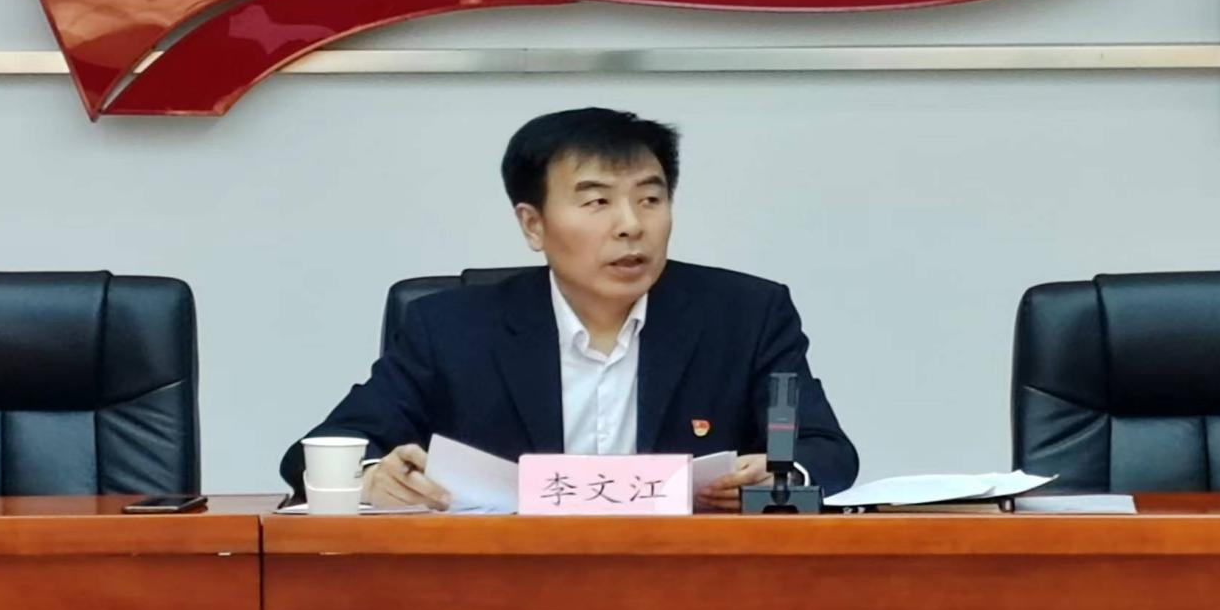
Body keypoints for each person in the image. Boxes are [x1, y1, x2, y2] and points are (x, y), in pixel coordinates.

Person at [280, 107, 857, 510]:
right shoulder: (451, 328)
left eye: (650, 199)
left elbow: (825, 450)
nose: (631, 225)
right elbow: (323, 448)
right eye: (598, 201)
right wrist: (371, 478)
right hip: (498, 591)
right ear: (533, 225)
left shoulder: (745, 316)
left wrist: (778, 477)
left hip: (689, 588)